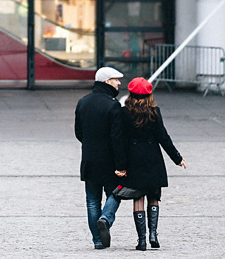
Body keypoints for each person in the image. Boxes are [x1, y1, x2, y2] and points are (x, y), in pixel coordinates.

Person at [114, 77, 186, 251]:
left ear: (130, 94)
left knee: (138, 197)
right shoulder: (155, 111)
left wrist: (121, 166)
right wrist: (177, 158)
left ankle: (142, 240)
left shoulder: (124, 113)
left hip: (134, 160)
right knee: (154, 197)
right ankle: (153, 234)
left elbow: (120, 141)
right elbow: (163, 137)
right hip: (153, 159)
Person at [74, 66, 125, 249]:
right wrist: (121, 164)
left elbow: (78, 132)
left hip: (89, 159)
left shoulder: (83, 102)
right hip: (109, 160)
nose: (119, 83)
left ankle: (97, 240)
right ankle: (106, 218)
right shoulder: (113, 104)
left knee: (92, 200)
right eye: (116, 79)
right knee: (116, 193)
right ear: (107, 82)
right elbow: (117, 137)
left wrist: (90, 144)